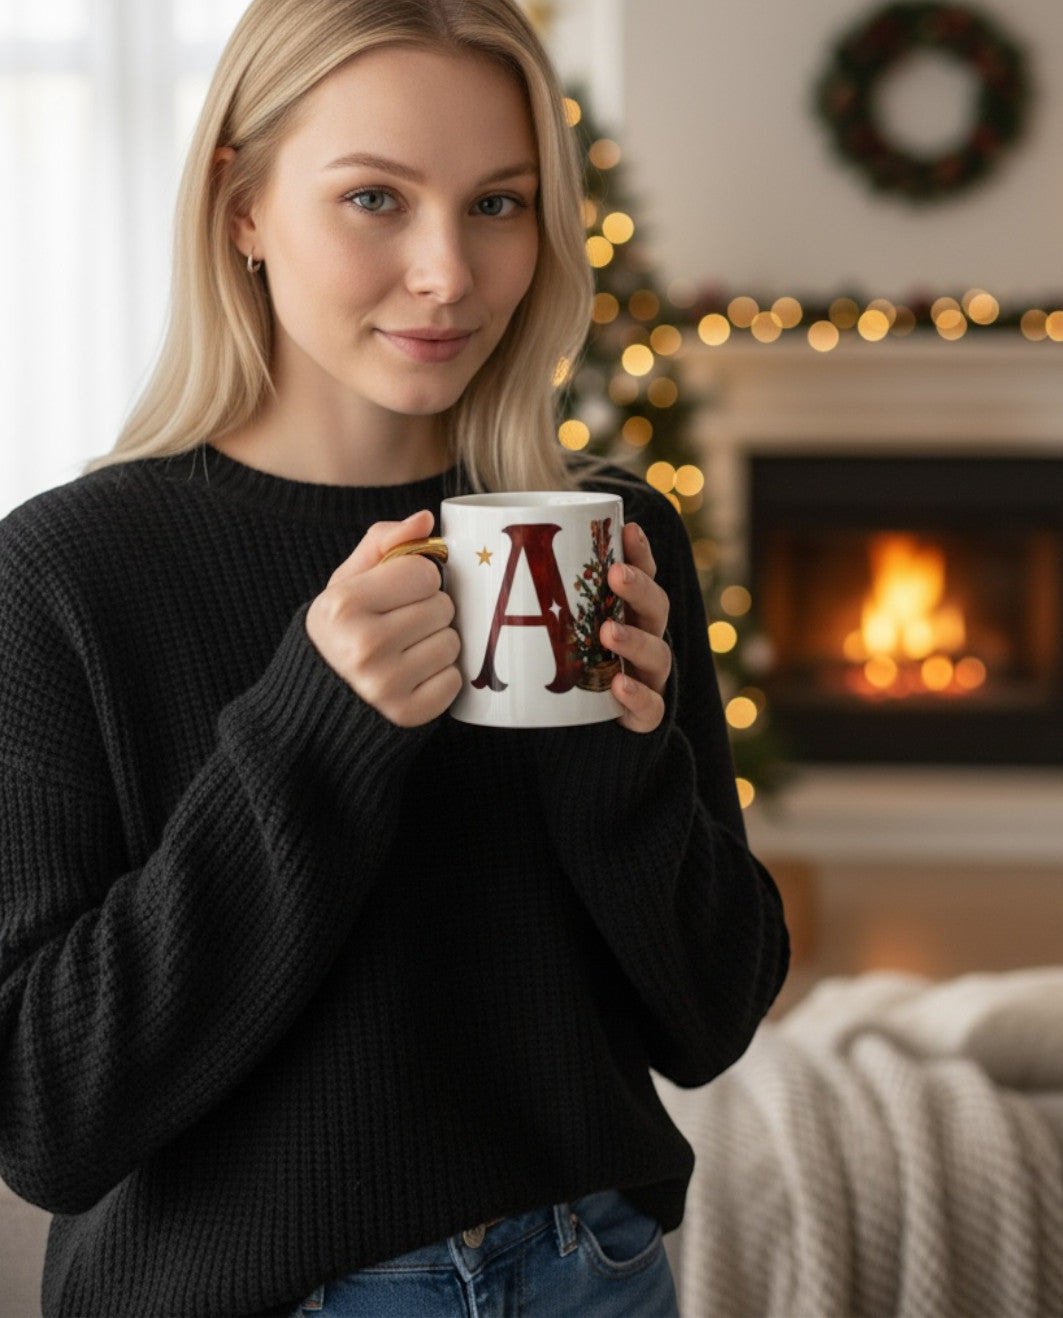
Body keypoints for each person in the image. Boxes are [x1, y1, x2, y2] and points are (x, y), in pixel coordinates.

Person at [0, 0, 789, 1314]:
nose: (449, 273)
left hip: (592, 1274)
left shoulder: (611, 539)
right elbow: (48, 1110)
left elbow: (707, 1022)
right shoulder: (67, 576)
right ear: (241, 206)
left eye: (499, 203)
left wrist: (617, 756)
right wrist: (316, 728)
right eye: (376, 197)